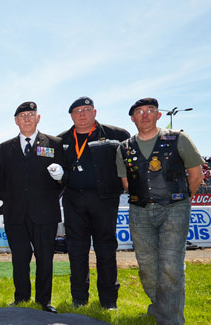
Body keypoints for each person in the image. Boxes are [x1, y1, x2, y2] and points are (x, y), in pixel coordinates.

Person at [116, 98, 204, 324]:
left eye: (150, 111)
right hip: (139, 211)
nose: (144, 115)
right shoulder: (124, 147)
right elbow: (127, 183)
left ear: (158, 115)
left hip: (174, 209)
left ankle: (171, 319)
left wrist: (179, 201)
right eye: (139, 112)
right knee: (146, 267)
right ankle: (160, 308)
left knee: (170, 266)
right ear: (133, 118)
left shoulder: (178, 139)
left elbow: (195, 176)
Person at [57, 97, 129, 309]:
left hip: (104, 201)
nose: (82, 114)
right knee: (77, 252)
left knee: (106, 250)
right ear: (71, 115)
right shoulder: (61, 140)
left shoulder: (117, 135)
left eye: (86, 109)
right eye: (77, 111)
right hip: (74, 201)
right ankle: (79, 298)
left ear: (94, 112)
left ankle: (108, 300)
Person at [0, 101, 64, 314]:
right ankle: (21, 297)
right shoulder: (6, 147)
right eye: (22, 116)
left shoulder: (54, 143)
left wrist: (61, 176)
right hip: (15, 214)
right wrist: (0, 210)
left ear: (38, 118)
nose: (27, 118)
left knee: (45, 258)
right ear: (16, 121)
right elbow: (2, 182)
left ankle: (44, 300)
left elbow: (65, 178)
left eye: (31, 114)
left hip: (44, 213)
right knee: (19, 258)